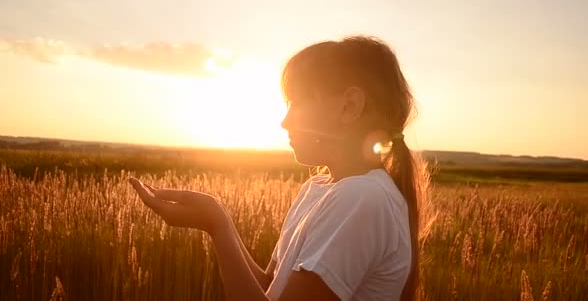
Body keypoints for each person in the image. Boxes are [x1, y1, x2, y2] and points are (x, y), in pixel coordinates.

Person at [129, 35, 432, 300]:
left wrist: (217, 225)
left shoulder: (362, 197)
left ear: (349, 106)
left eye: (296, 102)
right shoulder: (319, 187)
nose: (285, 121)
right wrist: (217, 220)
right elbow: (270, 287)